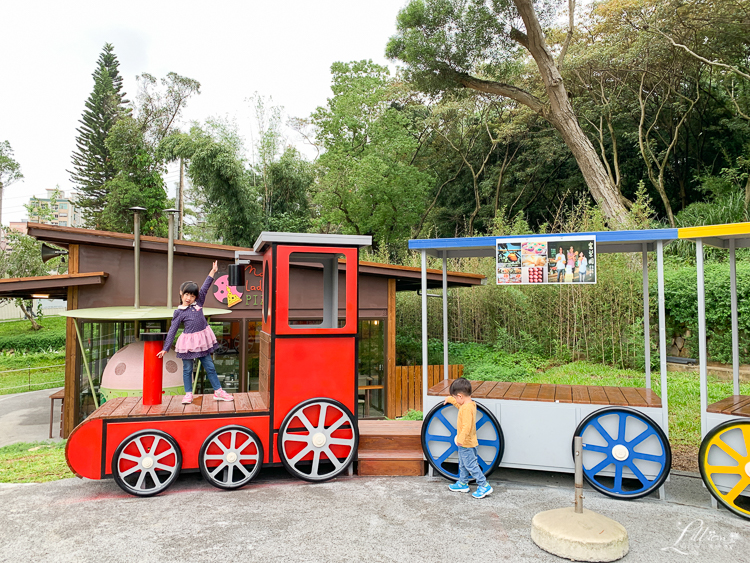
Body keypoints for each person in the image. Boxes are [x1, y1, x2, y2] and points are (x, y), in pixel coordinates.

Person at [157, 261, 234, 404]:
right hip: (188, 344)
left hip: (202, 342)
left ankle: (218, 392)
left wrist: (213, 272)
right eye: (186, 294)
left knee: (210, 367)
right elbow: (173, 329)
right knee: (187, 369)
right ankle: (188, 394)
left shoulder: (198, 303)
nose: (189, 298)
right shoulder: (179, 312)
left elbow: (205, 287)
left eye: (192, 296)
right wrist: (165, 348)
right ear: (181, 293)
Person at [443, 378, 493, 499]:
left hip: (466, 443)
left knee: (470, 465)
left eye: (455, 397)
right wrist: (450, 399)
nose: (455, 400)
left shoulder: (466, 409)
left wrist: (460, 438)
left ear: (460, 396)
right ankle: (463, 483)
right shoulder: (469, 404)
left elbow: (467, 426)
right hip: (468, 443)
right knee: (463, 464)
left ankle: (484, 485)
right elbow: (458, 405)